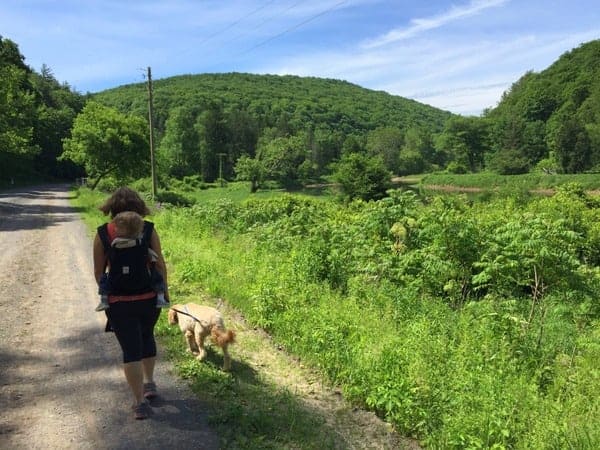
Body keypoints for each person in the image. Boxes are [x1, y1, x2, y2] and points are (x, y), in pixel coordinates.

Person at [93, 187, 170, 420]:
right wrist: (164, 292)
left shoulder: (103, 233)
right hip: (149, 299)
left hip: (119, 303)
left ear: (112, 207)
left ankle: (138, 403)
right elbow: (160, 265)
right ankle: (149, 384)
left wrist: (109, 292)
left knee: (131, 350)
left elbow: (98, 272)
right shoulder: (147, 229)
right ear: (139, 206)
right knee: (147, 337)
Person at [95, 211, 169, 312]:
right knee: (157, 279)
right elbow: (159, 264)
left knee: (104, 280)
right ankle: (161, 297)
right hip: (146, 293)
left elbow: (98, 271)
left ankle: (104, 299)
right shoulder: (143, 238)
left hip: (117, 295)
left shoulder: (111, 239)